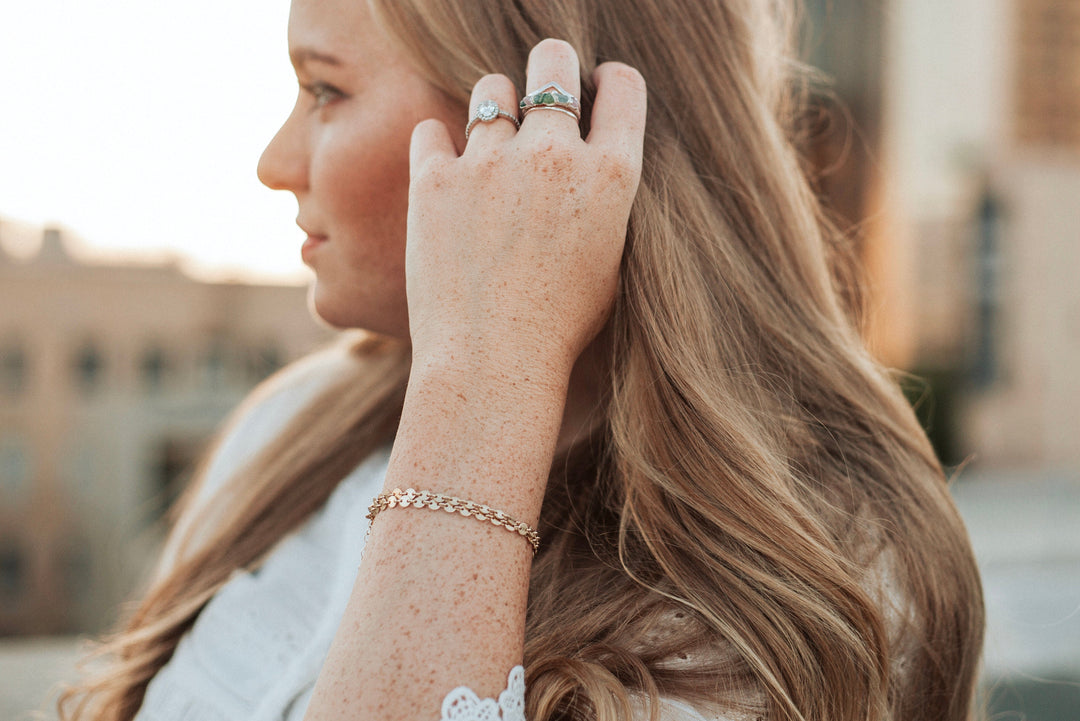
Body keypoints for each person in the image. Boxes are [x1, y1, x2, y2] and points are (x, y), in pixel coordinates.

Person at [60, 0, 985, 719]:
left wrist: (490, 370)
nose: (274, 160)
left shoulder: (823, 571)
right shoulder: (289, 429)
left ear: (541, 127)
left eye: (325, 91)